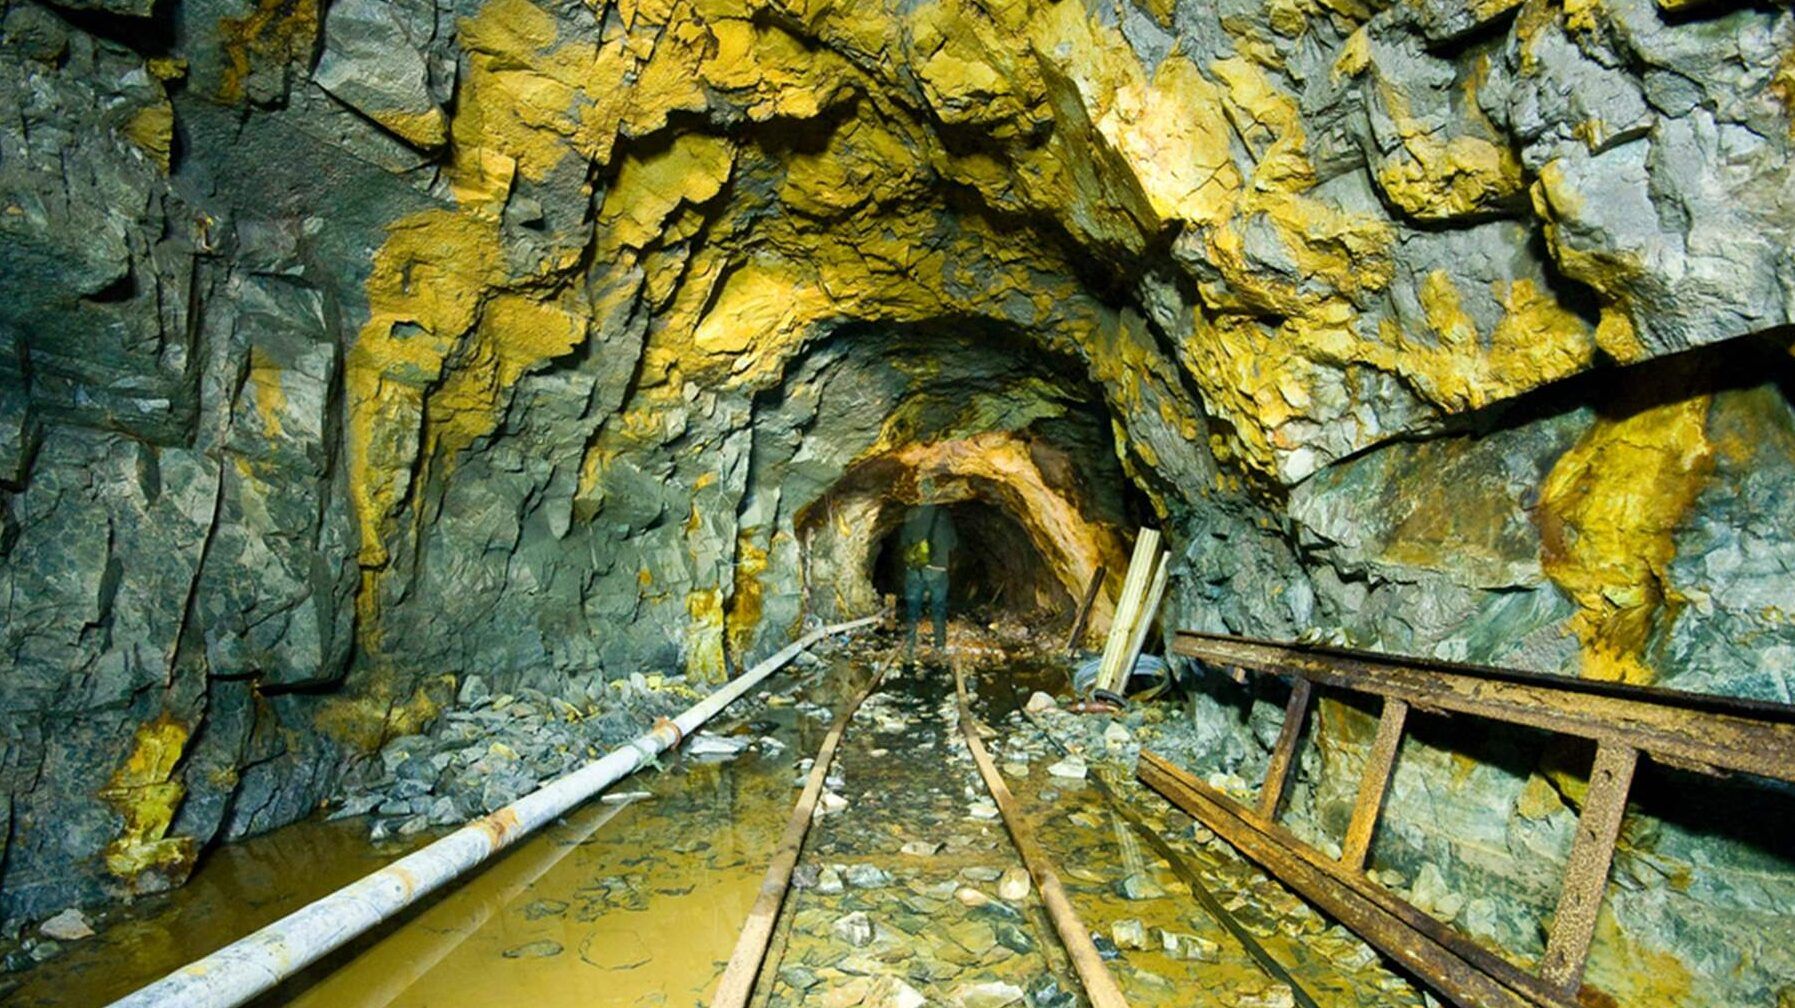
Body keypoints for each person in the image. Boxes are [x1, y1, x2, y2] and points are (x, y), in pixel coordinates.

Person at [898, 503, 957, 660]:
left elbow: (903, 542)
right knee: (938, 608)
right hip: (938, 570)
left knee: (912, 609)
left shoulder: (911, 513)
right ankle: (939, 645)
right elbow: (953, 543)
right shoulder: (944, 515)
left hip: (915, 570)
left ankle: (910, 646)